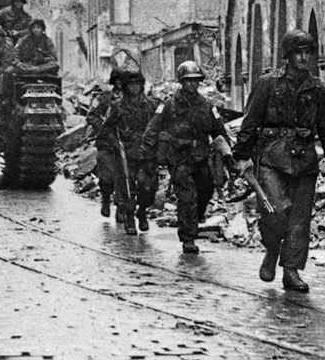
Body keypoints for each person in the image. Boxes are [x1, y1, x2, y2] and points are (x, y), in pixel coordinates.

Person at [233, 29, 325, 293]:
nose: (304, 57)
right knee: (275, 211)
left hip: (305, 161)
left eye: (308, 52)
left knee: (299, 219)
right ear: (288, 55)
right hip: (272, 157)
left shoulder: (318, 89)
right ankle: (272, 250)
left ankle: (291, 271)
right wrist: (240, 156)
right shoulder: (267, 83)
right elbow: (250, 121)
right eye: (299, 52)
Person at [139, 61, 232, 254]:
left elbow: (219, 132)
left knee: (205, 194)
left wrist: (228, 153)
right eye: (188, 81)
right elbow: (152, 130)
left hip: (202, 158)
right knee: (187, 197)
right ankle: (188, 238)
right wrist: (149, 156)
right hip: (179, 159)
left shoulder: (206, 106)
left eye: (195, 81)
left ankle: (193, 222)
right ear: (182, 82)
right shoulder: (169, 105)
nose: (192, 84)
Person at [89, 68, 155, 232]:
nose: (133, 88)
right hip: (121, 150)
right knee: (121, 183)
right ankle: (128, 216)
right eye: (128, 84)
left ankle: (141, 211)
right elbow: (102, 123)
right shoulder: (109, 101)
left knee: (148, 188)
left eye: (137, 84)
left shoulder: (152, 104)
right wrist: (113, 141)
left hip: (146, 152)